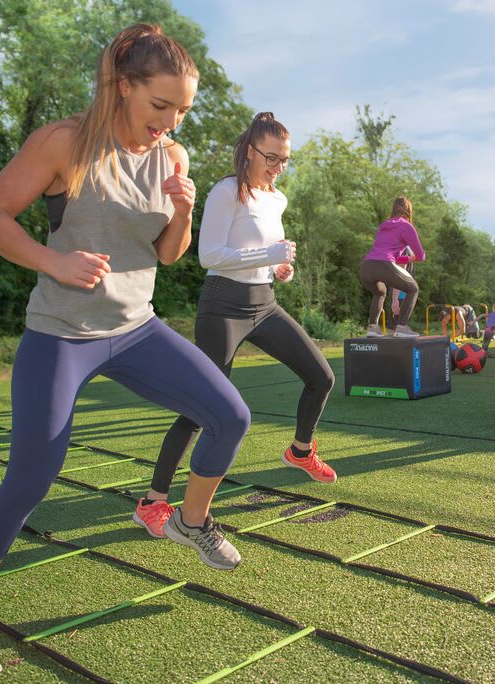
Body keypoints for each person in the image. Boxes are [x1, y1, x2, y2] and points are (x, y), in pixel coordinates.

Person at [0, 25, 252, 681]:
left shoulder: (173, 158)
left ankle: (190, 521)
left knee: (232, 416)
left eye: (182, 109)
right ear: (122, 85)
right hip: (61, 335)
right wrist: (55, 260)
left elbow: (168, 255)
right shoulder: (64, 142)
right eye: (159, 105)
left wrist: (183, 213)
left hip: (137, 329)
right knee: (30, 477)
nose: (170, 121)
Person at [134, 112, 338, 540]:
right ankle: (152, 502)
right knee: (200, 408)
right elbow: (210, 255)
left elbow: (269, 256)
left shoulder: (276, 199)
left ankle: (300, 450)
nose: (278, 167)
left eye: (285, 160)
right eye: (272, 157)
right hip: (223, 307)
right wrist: (269, 256)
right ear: (250, 151)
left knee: (321, 377)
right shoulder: (227, 192)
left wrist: (280, 267)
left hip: (263, 304)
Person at [360, 197, 426, 337]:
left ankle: (373, 328)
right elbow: (421, 255)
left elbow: (393, 257)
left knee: (380, 292)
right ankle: (402, 327)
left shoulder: (383, 226)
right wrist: (412, 258)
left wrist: (405, 258)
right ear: (408, 211)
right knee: (413, 289)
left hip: (366, 266)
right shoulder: (406, 226)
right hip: (383, 264)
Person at [390, 246, 415, 320]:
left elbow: (400, 275)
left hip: (400, 295)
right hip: (404, 294)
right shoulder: (407, 249)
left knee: (398, 326)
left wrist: (395, 299)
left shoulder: (402, 250)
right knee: (400, 326)